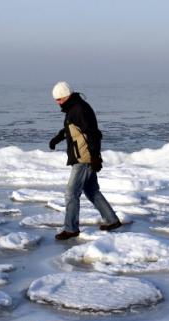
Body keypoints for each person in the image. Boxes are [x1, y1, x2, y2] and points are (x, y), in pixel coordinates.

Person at [48, 81, 122, 240]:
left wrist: (95, 157)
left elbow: (93, 133)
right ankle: (112, 220)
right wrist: (57, 138)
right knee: (91, 190)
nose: (57, 102)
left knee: (71, 193)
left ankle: (71, 228)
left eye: (59, 99)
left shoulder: (79, 109)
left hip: (84, 157)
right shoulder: (73, 108)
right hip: (82, 155)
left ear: (66, 96)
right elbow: (71, 128)